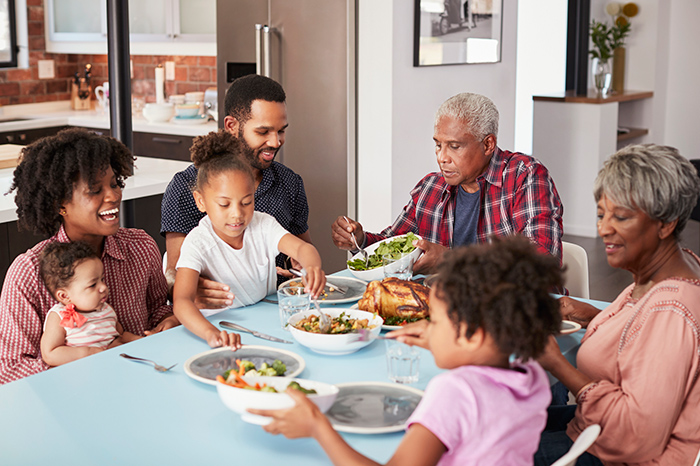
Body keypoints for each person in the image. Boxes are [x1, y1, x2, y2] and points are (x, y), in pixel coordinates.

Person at [249, 236, 563, 466]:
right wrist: (441, 340)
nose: (428, 327)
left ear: (471, 336)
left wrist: (319, 428)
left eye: (435, 321)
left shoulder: (455, 392)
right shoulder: (530, 374)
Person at [535, 144, 700, 465]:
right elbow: (648, 338)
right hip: (595, 427)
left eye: (621, 217)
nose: (603, 228)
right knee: (496, 423)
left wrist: (555, 362)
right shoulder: (678, 268)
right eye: (601, 214)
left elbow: (635, 437)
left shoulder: (672, 310)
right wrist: (596, 316)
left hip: (619, 454)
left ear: (666, 224)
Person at [0, 128, 177, 384]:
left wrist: (168, 323)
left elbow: (158, 310)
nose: (113, 195)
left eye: (114, 184)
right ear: (60, 204)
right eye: (95, 190)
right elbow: (11, 369)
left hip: (141, 383)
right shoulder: (28, 272)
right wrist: (88, 361)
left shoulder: (140, 247)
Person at [331, 92, 563, 274]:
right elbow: (393, 245)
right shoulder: (430, 189)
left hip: (517, 314)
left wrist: (450, 260)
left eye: (454, 146)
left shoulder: (525, 176)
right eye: (438, 144)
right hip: (447, 313)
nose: (442, 157)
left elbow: (540, 260)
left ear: (488, 144)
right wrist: (359, 240)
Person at [161, 74, 310, 309]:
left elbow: (303, 251)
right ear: (232, 126)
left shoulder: (289, 183)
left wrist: (299, 271)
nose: (275, 142)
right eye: (263, 132)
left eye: (281, 131)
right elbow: (173, 272)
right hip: (219, 314)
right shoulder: (187, 186)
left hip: (275, 308)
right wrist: (186, 290)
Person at [172, 130, 325, 349]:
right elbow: (182, 301)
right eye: (224, 204)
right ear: (201, 201)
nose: (237, 214)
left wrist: (312, 267)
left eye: (246, 202)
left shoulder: (263, 224)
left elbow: (302, 249)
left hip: (266, 320)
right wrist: (210, 333)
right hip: (222, 327)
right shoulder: (198, 242)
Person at [39, 241, 141, 366]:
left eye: (102, 279)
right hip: (81, 374)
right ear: (65, 296)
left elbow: (118, 334)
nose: (103, 287)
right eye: (92, 285)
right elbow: (50, 354)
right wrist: (87, 353)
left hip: (111, 367)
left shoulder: (106, 310)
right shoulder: (59, 316)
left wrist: (134, 340)